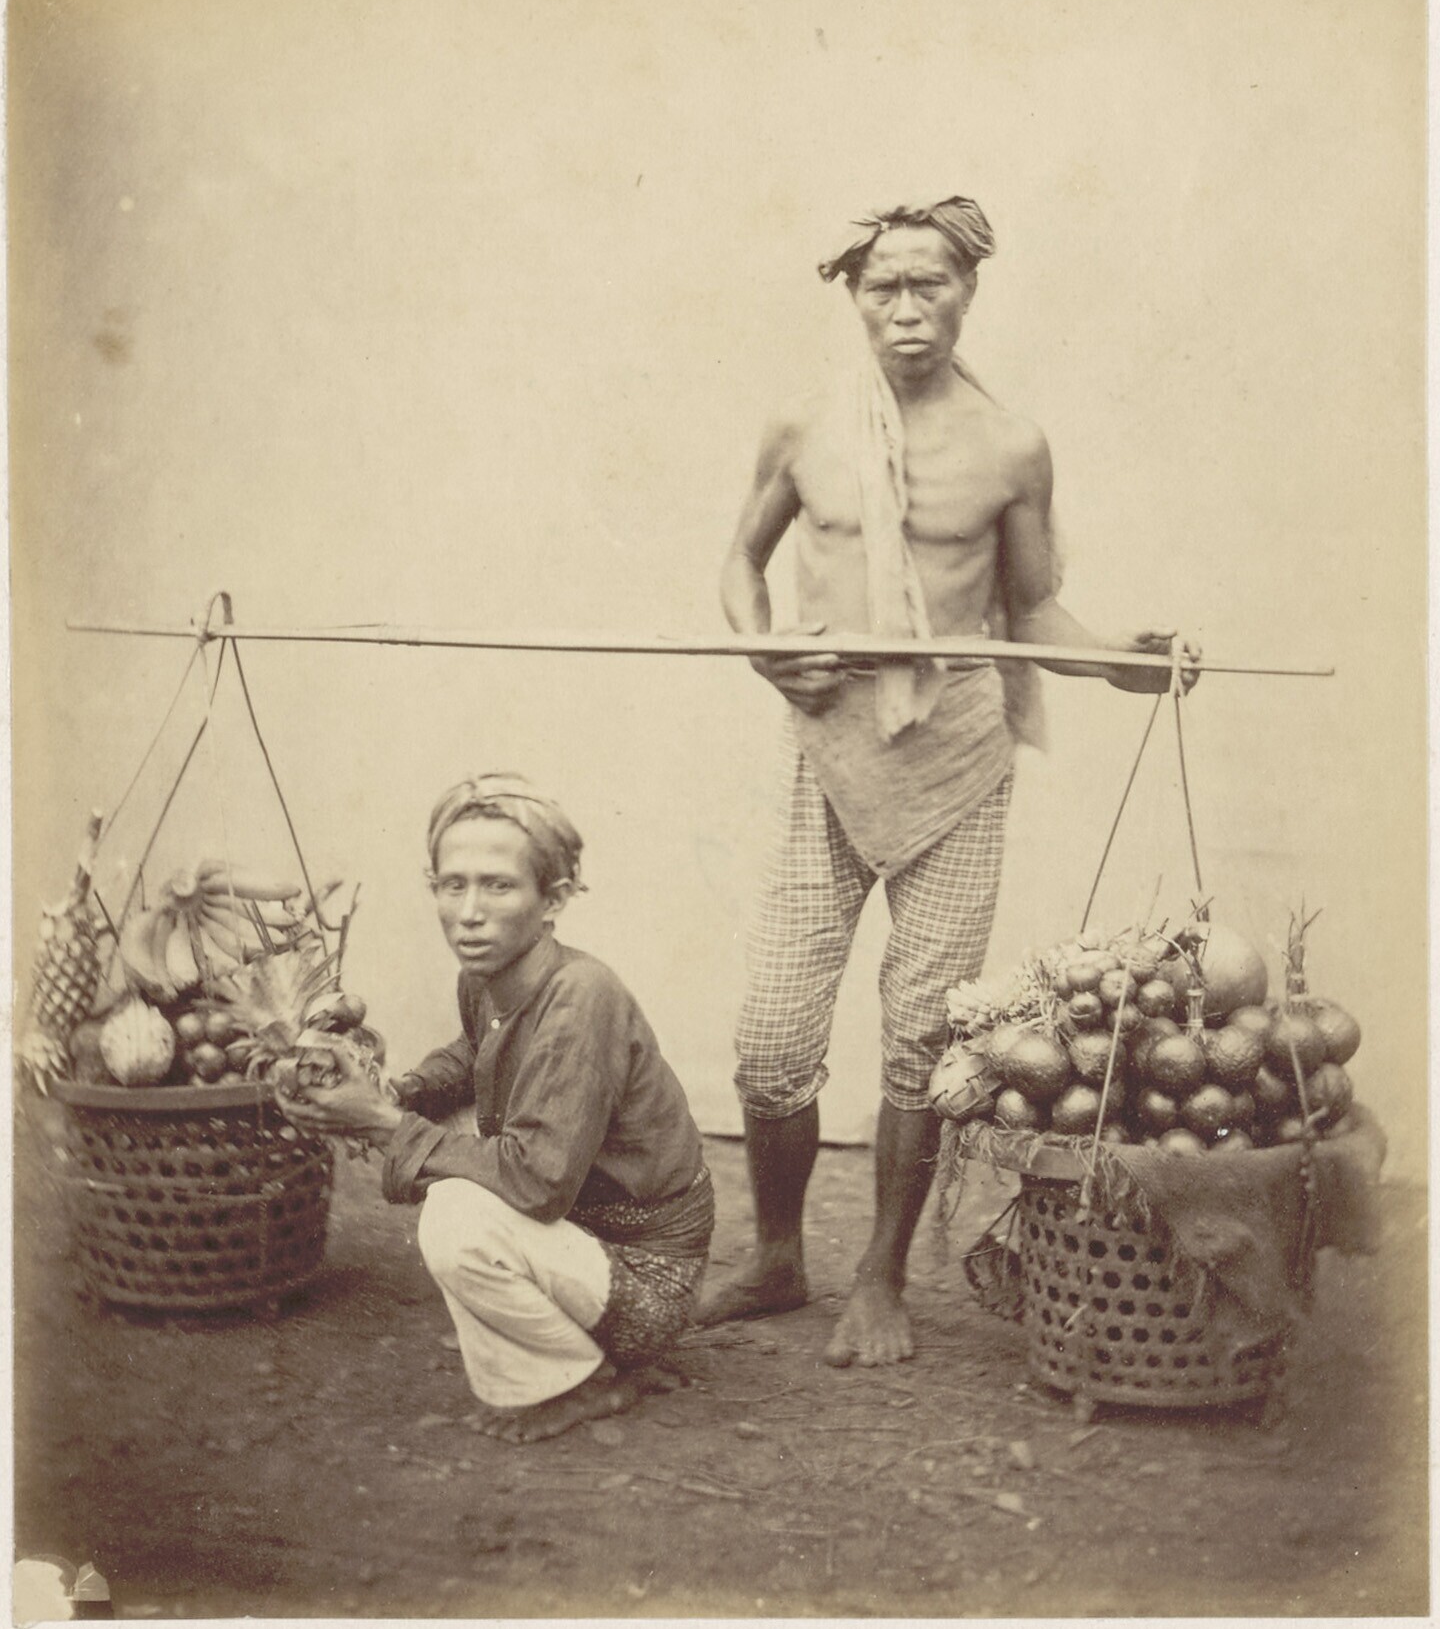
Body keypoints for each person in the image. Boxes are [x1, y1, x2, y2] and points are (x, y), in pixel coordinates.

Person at [698, 195, 1198, 1367]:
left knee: (925, 1035)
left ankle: (880, 1279)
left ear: (968, 291)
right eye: (884, 286)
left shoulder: (1011, 446)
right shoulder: (805, 424)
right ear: (853, 295)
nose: (908, 307)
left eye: (930, 284)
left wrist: (1120, 662)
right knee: (772, 1040)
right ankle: (778, 1257)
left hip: (959, 758)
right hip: (828, 746)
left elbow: (1031, 611)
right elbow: (740, 565)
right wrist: (764, 648)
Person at [279, 774, 714, 1443]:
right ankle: (561, 1352)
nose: (470, 912)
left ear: (554, 899)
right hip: (585, 1246)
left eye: (499, 886)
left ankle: (586, 1378)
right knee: (458, 1173)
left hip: (646, 1281)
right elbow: (473, 1053)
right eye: (453, 885)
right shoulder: (488, 977)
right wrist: (401, 1094)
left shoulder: (581, 995)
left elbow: (538, 1182)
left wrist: (381, 1122)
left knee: (457, 1213)